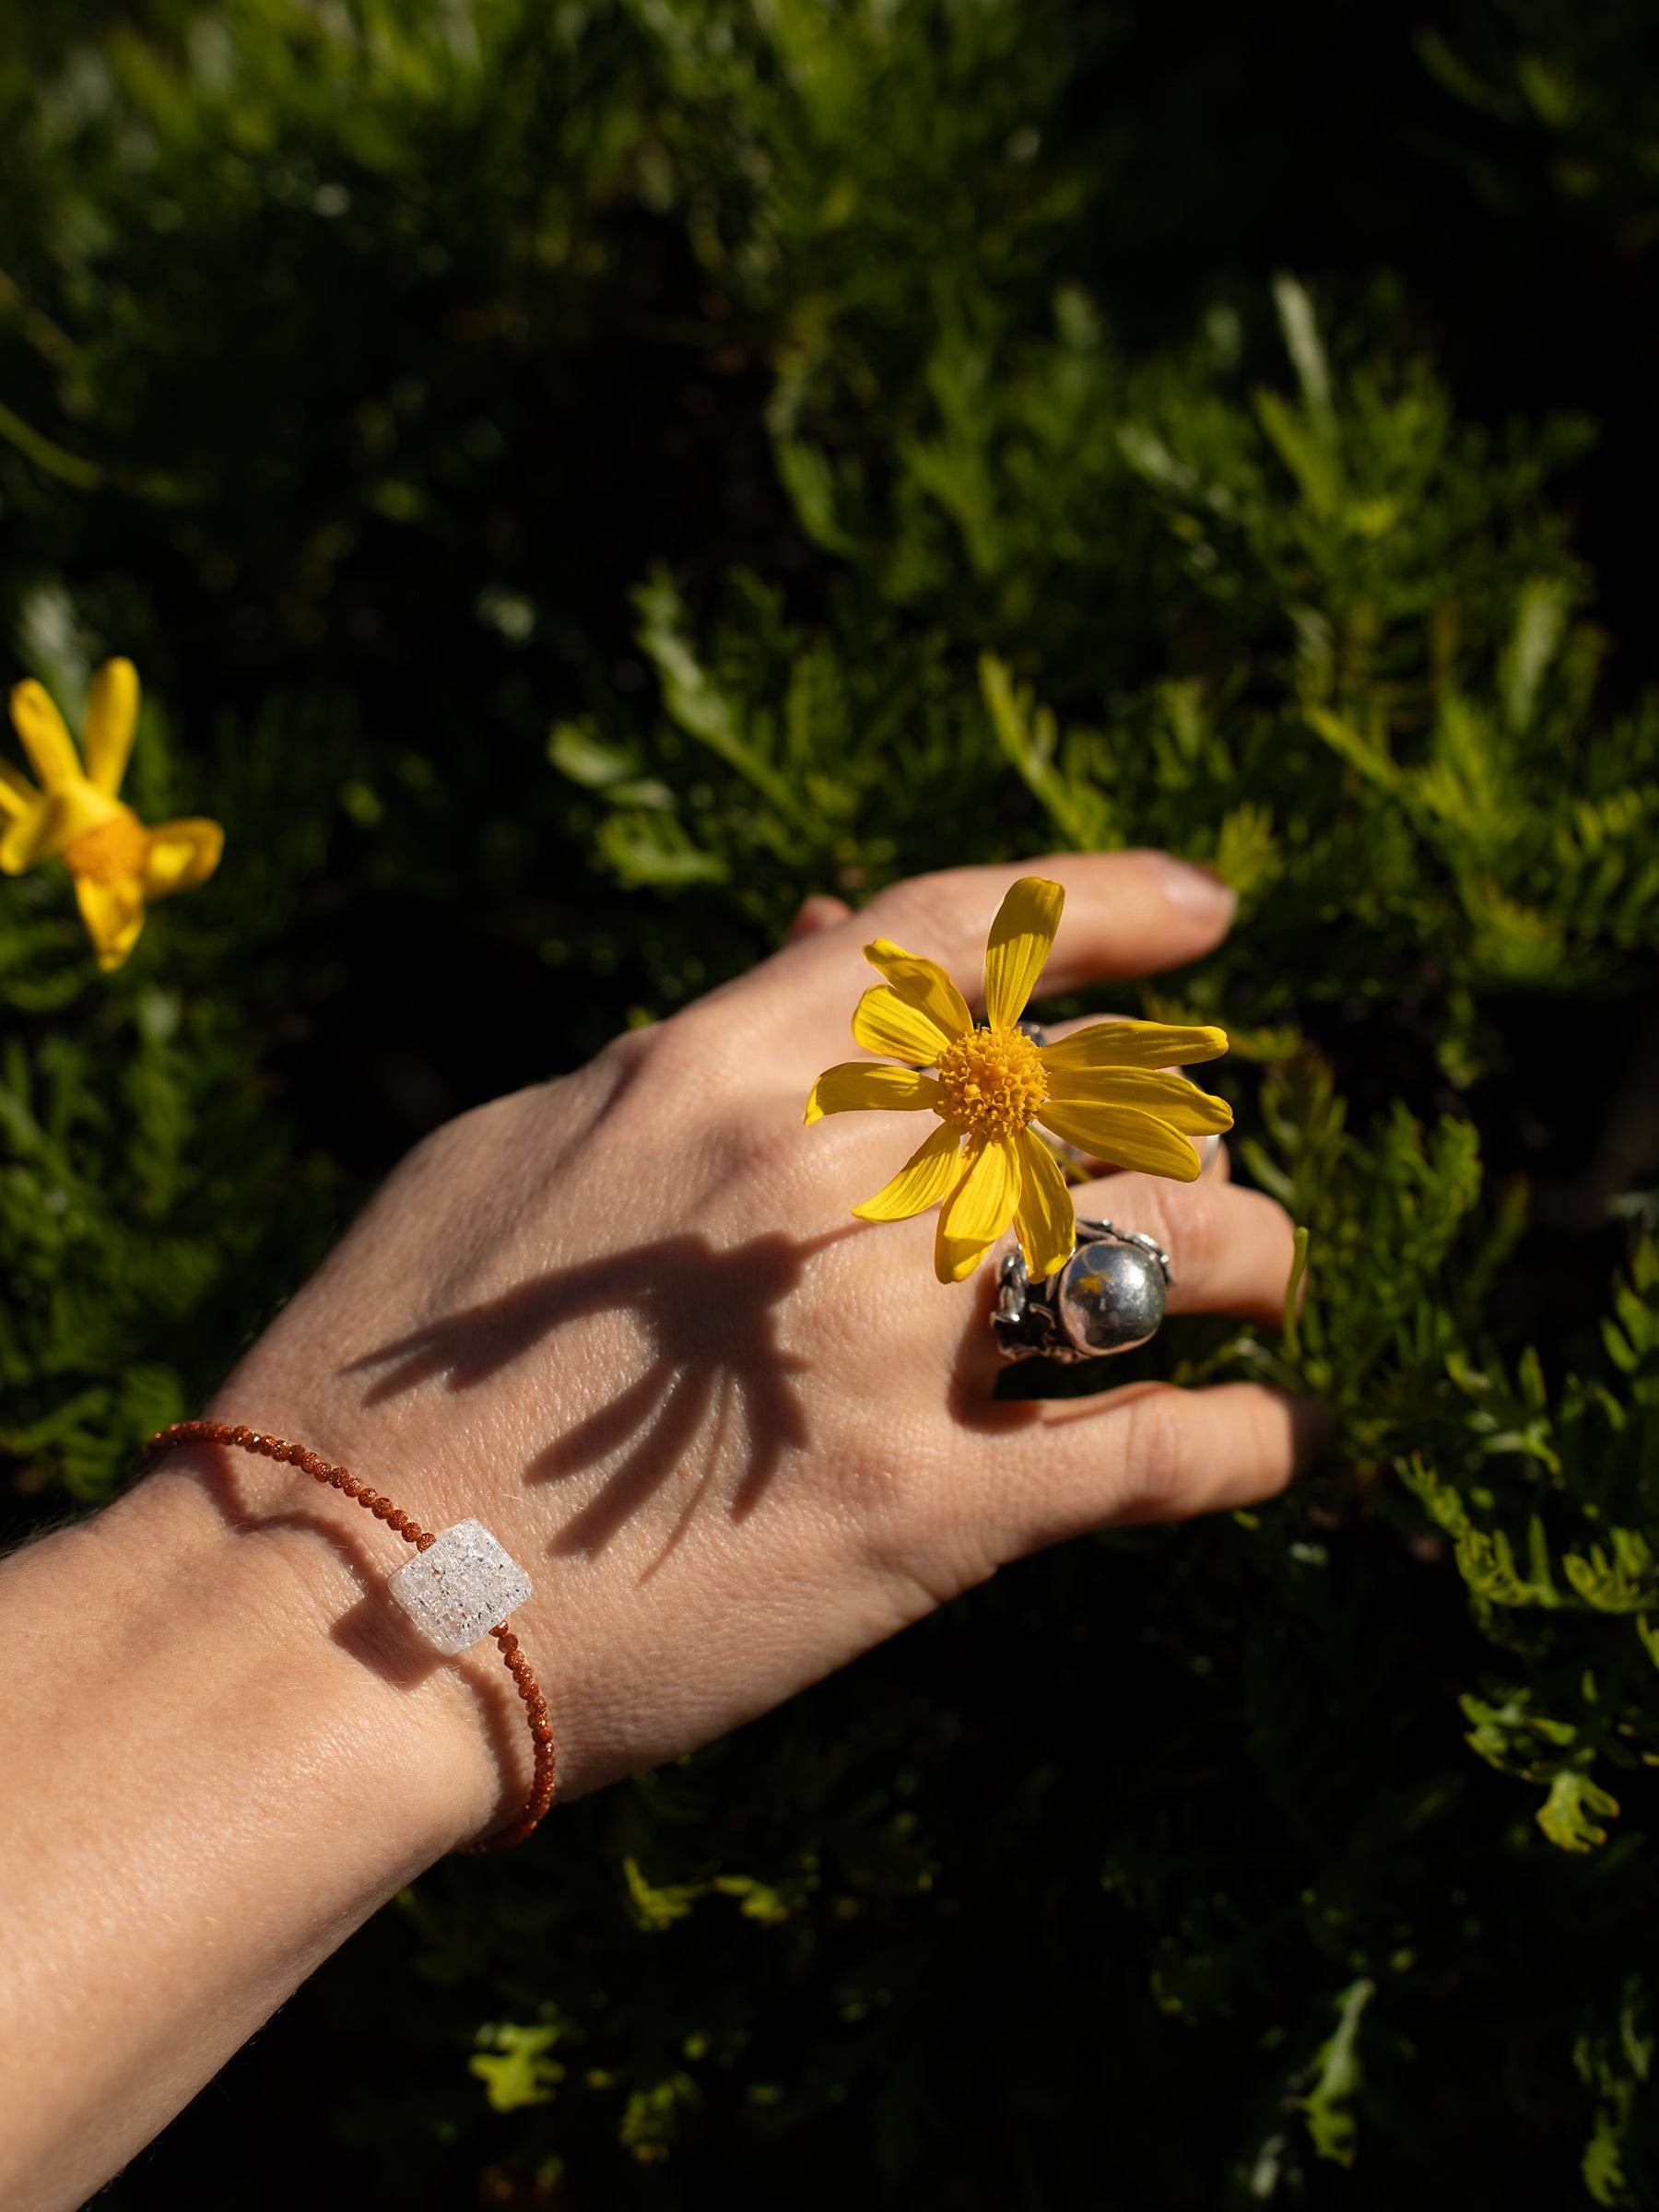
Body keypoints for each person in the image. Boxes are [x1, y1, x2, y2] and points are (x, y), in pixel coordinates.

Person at [0, 851, 1312, 2212]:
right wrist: (294, 1632)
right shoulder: (945, 1091)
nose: (992, 1071)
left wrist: (242, 1590)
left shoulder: (988, 1116)